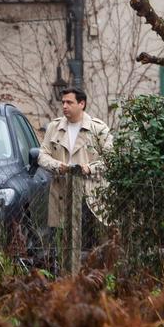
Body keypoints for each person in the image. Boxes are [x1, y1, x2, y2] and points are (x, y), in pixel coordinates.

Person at [37, 87, 112, 230]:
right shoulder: (54, 127)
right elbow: (42, 155)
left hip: (92, 192)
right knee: (64, 239)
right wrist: (57, 165)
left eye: (69, 102)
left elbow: (111, 158)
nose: (64, 106)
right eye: (63, 102)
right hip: (63, 191)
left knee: (96, 240)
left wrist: (90, 168)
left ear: (81, 104)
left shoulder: (98, 128)